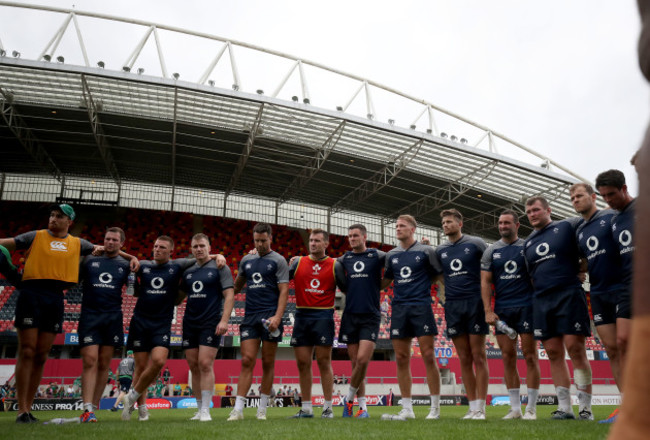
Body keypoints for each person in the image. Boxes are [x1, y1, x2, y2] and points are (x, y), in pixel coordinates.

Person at [0, 204, 136, 424]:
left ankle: (29, 408)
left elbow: (108, 248)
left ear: (69, 222)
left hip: (55, 298)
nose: (53, 219)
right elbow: (9, 242)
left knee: (42, 354)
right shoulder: (35, 235)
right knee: (27, 351)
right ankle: (22, 410)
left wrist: (132, 257)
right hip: (31, 293)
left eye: (59, 216)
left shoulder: (78, 243)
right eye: (52, 215)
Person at [523, 196, 593, 420]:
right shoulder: (528, 242)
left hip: (568, 294)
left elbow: (590, 243)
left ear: (548, 210)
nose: (532, 214)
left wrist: (582, 267)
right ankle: (565, 408)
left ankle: (585, 409)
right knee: (553, 353)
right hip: (542, 300)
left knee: (575, 349)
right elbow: (532, 274)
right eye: (529, 212)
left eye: (536, 210)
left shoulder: (568, 226)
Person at [121, 236, 196, 422]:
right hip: (140, 321)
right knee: (140, 367)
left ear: (171, 251)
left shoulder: (177, 266)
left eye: (162, 247)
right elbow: (134, 288)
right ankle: (142, 409)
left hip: (162, 323)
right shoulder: (143, 266)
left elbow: (200, 257)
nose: (157, 249)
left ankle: (131, 397)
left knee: (158, 361)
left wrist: (217, 255)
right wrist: (131, 257)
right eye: (155, 246)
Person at [570, 182, 627, 424]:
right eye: (572, 197)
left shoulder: (611, 216)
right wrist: (579, 270)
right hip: (599, 292)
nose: (575, 200)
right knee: (612, 350)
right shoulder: (580, 230)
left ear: (594, 196)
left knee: (628, 346)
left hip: (623, 288)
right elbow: (584, 259)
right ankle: (626, 407)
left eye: (580, 196)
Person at [380, 214, 443, 420]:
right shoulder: (392, 255)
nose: (398, 228)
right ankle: (407, 409)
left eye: (402, 226)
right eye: (397, 226)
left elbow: (437, 275)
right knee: (401, 358)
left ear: (413, 229)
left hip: (421, 307)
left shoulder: (426, 251)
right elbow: (386, 281)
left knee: (428, 355)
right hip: (399, 309)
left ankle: (435, 407)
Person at [481, 210, 540, 420]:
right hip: (504, 309)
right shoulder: (491, 251)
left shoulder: (527, 246)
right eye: (500, 223)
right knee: (508, 357)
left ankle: (531, 408)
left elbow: (536, 275)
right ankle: (515, 408)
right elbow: (486, 282)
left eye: (507, 223)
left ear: (517, 225)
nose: (502, 226)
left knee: (531, 356)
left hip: (527, 306)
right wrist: (488, 310)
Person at [227, 223, 289, 421]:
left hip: (270, 317)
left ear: (270, 238)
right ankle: (238, 409)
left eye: (263, 240)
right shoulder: (246, 260)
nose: (260, 244)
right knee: (246, 361)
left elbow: (284, 291)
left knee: (268, 363)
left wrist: (278, 318)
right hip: (250, 317)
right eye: (257, 240)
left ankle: (262, 409)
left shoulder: (279, 260)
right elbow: (236, 287)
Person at [433, 209, 489, 420]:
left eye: (449, 221)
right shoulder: (441, 249)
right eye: (443, 222)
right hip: (453, 305)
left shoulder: (476, 243)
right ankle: (472, 407)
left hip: (475, 302)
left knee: (479, 355)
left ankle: (481, 407)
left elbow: (489, 268)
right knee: (464, 358)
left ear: (460, 223)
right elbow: (438, 273)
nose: (445, 225)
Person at [78, 227, 132, 423]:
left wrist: (132, 258)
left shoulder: (125, 265)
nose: (110, 242)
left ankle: (92, 408)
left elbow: (133, 289)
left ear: (121, 243)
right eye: (107, 239)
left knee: (103, 364)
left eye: (114, 240)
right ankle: (86, 407)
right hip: (90, 316)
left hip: (112, 318)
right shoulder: (89, 259)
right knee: (90, 360)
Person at [595, 170, 635, 425]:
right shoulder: (615, 221)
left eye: (611, 194)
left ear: (623, 188)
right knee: (622, 343)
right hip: (628, 286)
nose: (608, 200)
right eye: (604, 196)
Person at [180, 233, 235, 422]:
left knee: (205, 363)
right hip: (189, 322)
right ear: (191, 249)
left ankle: (206, 410)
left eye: (202, 246)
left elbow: (229, 295)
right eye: (195, 246)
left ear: (209, 248)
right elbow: (178, 297)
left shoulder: (220, 267)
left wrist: (225, 320)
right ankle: (198, 408)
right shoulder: (187, 270)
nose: (198, 249)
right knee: (194, 366)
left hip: (210, 321)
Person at [289, 229, 341, 419]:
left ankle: (328, 407)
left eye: (317, 240)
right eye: (311, 240)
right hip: (302, 315)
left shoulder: (335, 265)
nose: (313, 243)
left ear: (326, 243)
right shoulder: (297, 262)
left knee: (323, 362)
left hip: (323, 316)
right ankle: (307, 408)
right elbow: (279, 278)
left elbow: (347, 287)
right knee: (303, 363)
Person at [336, 223, 386, 418]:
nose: (352, 239)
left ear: (364, 237)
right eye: (349, 236)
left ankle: (348, 400)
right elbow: (327, 262)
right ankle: (362, 408)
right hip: (350, 315)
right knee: (355, 362)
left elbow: (396, 259)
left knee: (363, 361)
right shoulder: (345, 258)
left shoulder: (376, 256)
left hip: (370, 316)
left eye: (355, 236)